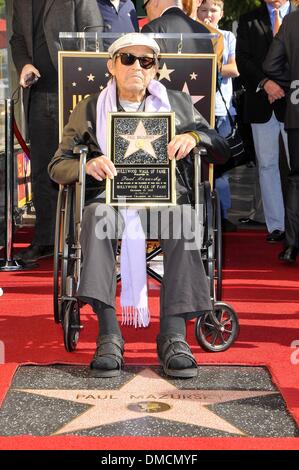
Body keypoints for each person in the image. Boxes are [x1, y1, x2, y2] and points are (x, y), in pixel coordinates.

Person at [48, 33, 230, 379]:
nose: (137, 67)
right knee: (95, 215)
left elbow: (221, 146)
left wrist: (192, 138)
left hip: (164, 201)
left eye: (146, 61)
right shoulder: (88, 108)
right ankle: (108, 334)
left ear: (155, 69)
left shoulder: (176, 104)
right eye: (128, 59)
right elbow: (57, 166)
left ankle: (174, 335)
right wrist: (86, 166)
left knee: (183, 219)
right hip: (111, 203)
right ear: (112, 66)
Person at [10, 0, 104, 263]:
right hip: (38, 93)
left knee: (82, 166)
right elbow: (17, 39)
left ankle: (84, 240)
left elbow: (94, 35)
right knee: (42, 169)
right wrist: (24, 64)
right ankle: (46, 240)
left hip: (76, 93)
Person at [236, 0, 295, 243]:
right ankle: (277, 226)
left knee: (297, 167)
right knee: (267, 166)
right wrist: (265, 83)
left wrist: (281, 85)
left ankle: (297, 226)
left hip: (294, 101)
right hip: (261, 103)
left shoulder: (297, 16)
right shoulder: (250, 19)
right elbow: (243, 59)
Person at [263, 7, 299, 263]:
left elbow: (270, 64)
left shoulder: (291, 20)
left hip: (296, 110)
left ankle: (292, 246)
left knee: (296, 179)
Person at [141, 0, 213, 53]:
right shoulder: (204, 31)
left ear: (154, 2)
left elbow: (146, 69)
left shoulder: (153, 29)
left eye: (145, 9)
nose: (147, 17)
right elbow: (212, 71)